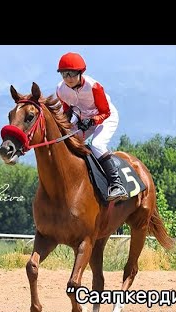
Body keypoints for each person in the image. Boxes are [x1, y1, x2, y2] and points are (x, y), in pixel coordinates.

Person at [55, 52, 128, 202]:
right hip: (83, 120)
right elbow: (67, 109)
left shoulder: (93, 86)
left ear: (80, 73)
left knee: (97, 144)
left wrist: (92, 121)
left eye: (71, 73)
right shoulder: (61, 89)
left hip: (106, 117)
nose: (68, 78)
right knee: (67, 143)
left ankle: (116, 184)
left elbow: (105, 112)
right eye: (64, 74)